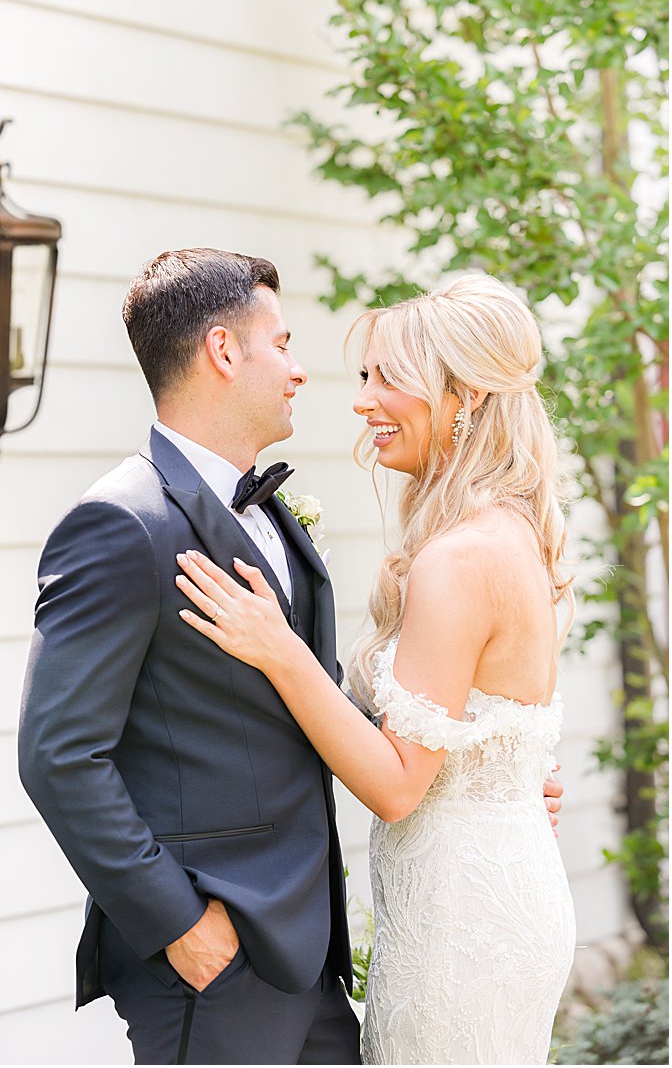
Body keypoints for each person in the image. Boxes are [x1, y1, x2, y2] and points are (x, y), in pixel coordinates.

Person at [17, 249, 563, 1065]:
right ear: (224, 352)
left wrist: (488, 771)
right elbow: (56, 754)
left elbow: (368, 726)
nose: (312, 376)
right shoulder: (123, 524)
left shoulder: (314, 523)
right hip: (217, 955)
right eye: (283, 343)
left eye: (386, 377)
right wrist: (181, 924)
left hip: (317, 952)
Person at [175, 273, 575, 1064]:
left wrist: (282, 651)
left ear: (461, 397)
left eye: (389, 378)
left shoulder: (458, 559)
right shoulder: (508, 528)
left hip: (463, 921)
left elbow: (397, 786)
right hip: (488, 888)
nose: (363, 402)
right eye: (366, 377)